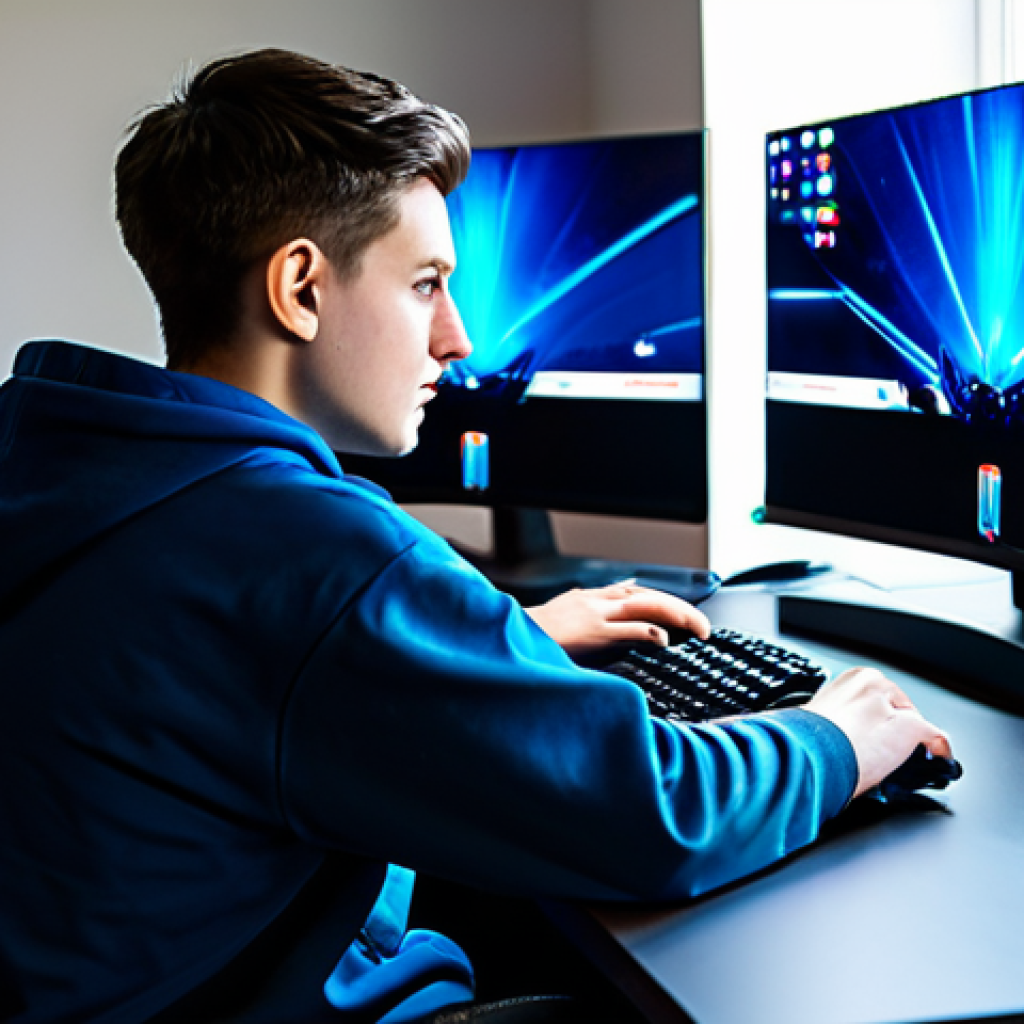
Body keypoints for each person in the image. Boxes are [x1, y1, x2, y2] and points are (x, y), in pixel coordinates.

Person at [0, 48, 953, 1024]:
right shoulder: (311, 549)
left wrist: (500, 639)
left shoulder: (71, 461)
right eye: (425, 284)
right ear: (299, 288)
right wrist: (837, 738)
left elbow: (226, 675)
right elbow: (654, 814)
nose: (456, 337)